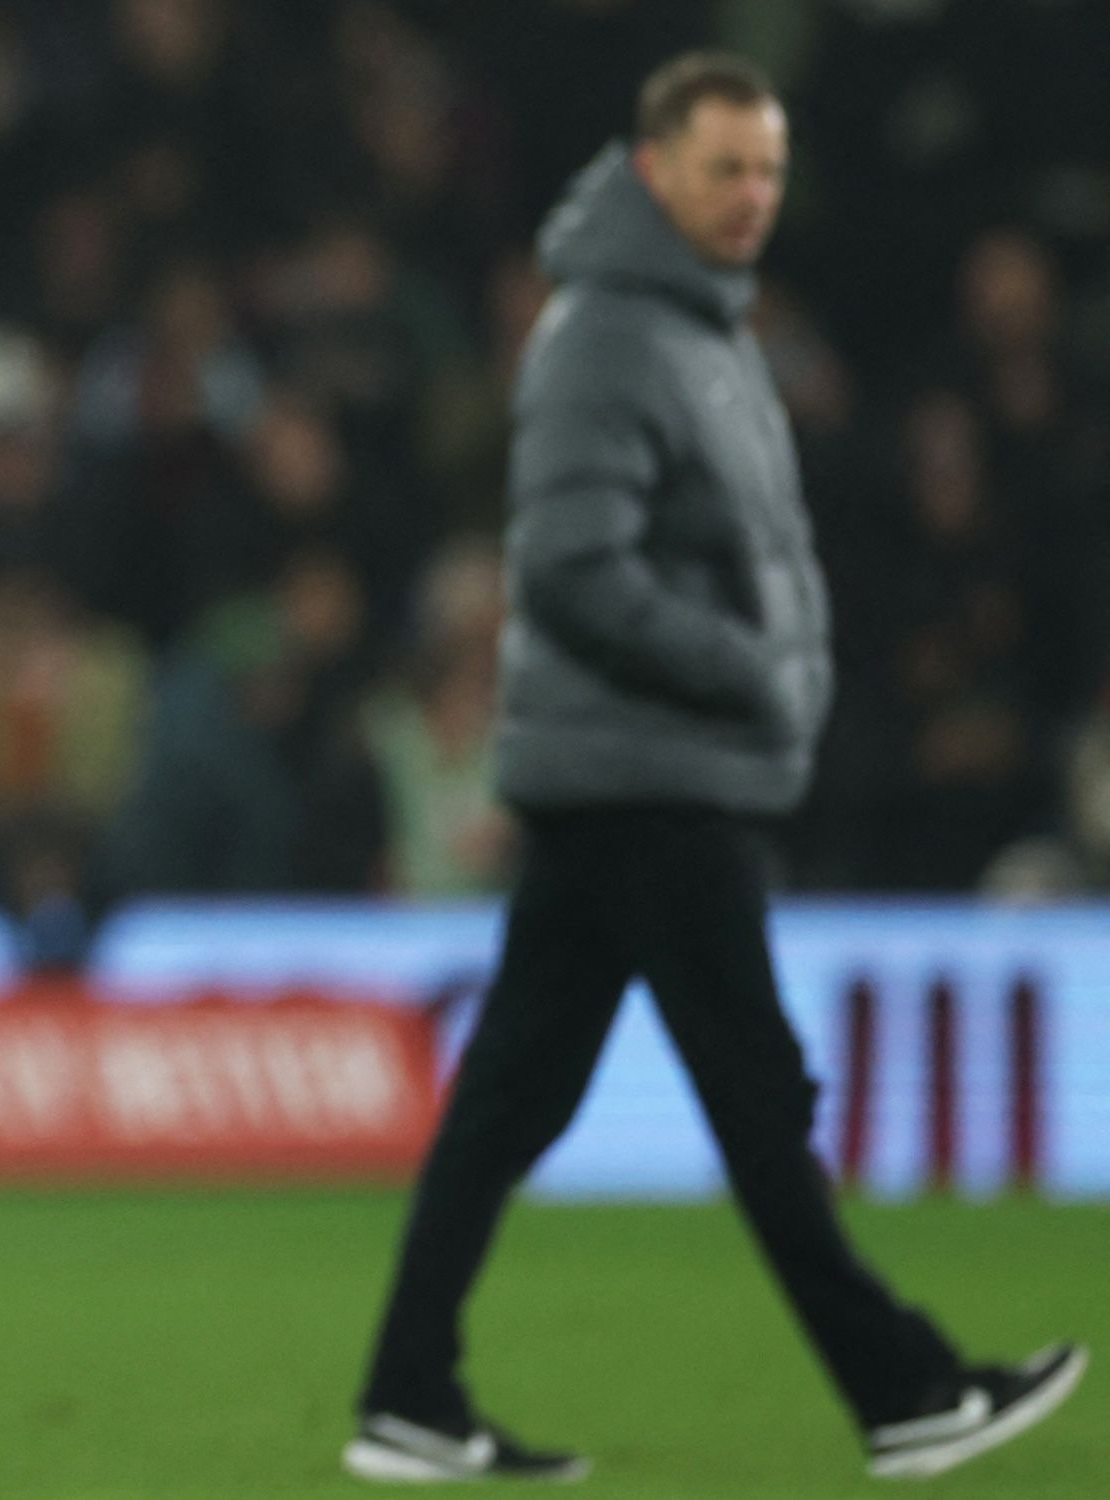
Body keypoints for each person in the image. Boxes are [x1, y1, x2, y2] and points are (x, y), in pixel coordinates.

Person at [341, 53, 1085, 1483]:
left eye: (768, 171)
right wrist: (750, 671)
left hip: (648, 776)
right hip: (649, 780)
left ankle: (407, 1396)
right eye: (724, 168)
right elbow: (567, 568)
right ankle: (907, 1391)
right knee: (755, 1097)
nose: (753, 198)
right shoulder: (612, 335)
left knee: (515, 1097)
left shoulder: (694, 329)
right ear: (651, 170)